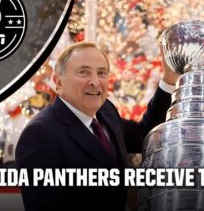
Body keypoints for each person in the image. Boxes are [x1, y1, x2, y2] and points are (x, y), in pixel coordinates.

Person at [15, 41, 178, 211]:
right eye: (83, 72)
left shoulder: (106, 110)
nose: (95, 81)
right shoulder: (39, 134)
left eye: (101, 73)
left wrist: (168, 80)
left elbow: (143, 135)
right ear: (58, 82)